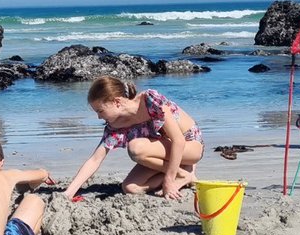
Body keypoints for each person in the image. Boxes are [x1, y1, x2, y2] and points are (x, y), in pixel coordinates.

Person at [62, 76, 203, 202]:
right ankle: (185, 174)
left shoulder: (149, 101)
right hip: (164, 152)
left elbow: (178, 141)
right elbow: (94, 160)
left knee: (136, 148)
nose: (99, 117)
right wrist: (68, 193)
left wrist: (169, 180)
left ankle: (178, 174)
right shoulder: (115, 126)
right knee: (130, 187)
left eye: (100, 111)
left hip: (190, 146)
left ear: (116, 102)